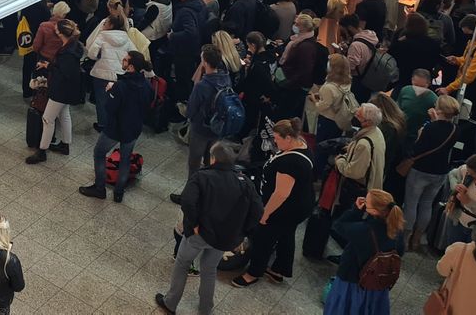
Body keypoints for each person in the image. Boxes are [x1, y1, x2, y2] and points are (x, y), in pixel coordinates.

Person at [155, 141, 262, 315]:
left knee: (182, 263)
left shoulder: (202, 176)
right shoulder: (244, 182)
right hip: (224, 238)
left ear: (213, 159)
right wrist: (243, 233)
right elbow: (258, 211)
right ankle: (205, 309)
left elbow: (188, 202)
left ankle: (170, 303)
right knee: (209, 270)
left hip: (200, 234)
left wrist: (195, 224)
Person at [231, 118, 315, 288]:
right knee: (286, 234)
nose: (274, 141)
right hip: (301, 203)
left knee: (264, 236)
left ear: (289, 138)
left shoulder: (292, 162)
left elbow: (281, 194)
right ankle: (279, 270)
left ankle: (253, 272)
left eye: (277, 138)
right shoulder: (301, 144)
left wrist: (265, 213)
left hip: (286, 208)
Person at [79, 50, 155, 202]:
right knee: (125, 159)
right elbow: (148, 105)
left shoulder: (121, 86)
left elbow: (110, 108)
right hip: (134, 129)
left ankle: (99, 188)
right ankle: (119, 192)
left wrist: (109, 91)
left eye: (126, 60)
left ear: (131, 66)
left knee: (99, 153)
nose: (123, 60)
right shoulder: (147, 86)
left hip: (115, 128)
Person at [322, 190, 405, 315]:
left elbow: (338, 225)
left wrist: (356, 210)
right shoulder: (396, 229)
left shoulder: (363, 231)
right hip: (377, 284)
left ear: (375, 211)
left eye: (367, 202)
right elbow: (401, 251)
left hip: (352, 282)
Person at [170, 45, 234, 206]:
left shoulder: (202, 85)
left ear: (205, 62)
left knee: (194, 165)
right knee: (210, 162)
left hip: (200, 129)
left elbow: (191, 110)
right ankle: (207, 193)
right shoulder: (226, 78)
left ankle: (189, 196)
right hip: (217, 128)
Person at [402, 94, 460, 250]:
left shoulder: (429, 128)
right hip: (440, 171)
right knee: (427, 204)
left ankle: (406, 239)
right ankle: (417, 238)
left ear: (439, 109)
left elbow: (418, 148)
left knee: (411, 204)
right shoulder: (455, 129)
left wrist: (421, 135)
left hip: (421, 169)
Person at [26, 19, 82, 164]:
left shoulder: (67, 52)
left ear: (60, 33)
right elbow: (63, 67)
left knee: (47, 119)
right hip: (68, 90)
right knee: (64, 114)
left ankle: (42, 151)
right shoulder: (74, 46)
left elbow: (63, 71)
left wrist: (49, 69)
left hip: (60, 90)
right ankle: (65, 144)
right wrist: (49, 65)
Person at [85, 11, 134, 132]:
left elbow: (91, 54)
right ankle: (114, 123)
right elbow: (135, 53)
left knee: (101, 101)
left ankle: (102, 125)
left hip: (102, 72)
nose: (103, 25)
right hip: (119, 74)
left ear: (111, 25)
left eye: (105, 23)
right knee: (115, 101)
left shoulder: (102, 36)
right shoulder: (126, 37)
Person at [335, 102, 387, 203]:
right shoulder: (377, 131)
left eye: (358, 116)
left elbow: (354, 172)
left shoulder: (364, 144)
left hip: (358, 191)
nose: (354, 117)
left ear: (367, 122)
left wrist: (339, 160)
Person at [311, 53, 358, 142]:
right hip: (339, 119)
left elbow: (322, 107)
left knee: (321, 144)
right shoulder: (347, 82)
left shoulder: (328, 87)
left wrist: (314, 100)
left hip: (327, 119)